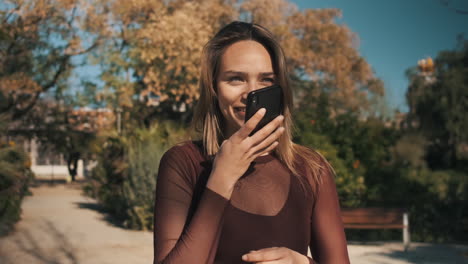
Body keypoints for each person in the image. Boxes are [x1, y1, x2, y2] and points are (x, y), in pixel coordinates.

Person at [153, 21, 350, 264]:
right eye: (236, 79)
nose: (251, 94)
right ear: (213, 88)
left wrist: (303, 263)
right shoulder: (183, 162)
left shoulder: (311, 169)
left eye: (266, 80)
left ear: (280, 88)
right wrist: (221, 179)